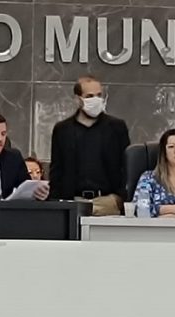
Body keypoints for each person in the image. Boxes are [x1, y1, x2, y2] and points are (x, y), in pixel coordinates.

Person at [49, 74, 130, 215]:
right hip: (74, 203)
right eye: (89, 96)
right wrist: (55, 202)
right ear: (78, 99)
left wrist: (120, 199)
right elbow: (57, 170)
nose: (96, 100)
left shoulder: (116, 127)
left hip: (108, 202)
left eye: (99, 95)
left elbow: (126, 166)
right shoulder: (63, 130)